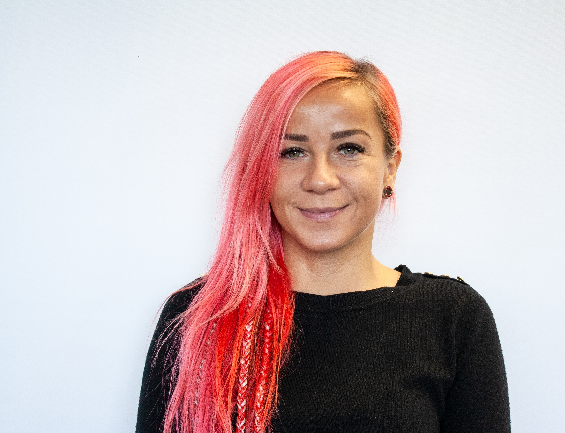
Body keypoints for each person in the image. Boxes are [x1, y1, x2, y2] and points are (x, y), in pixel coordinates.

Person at [136, 51, 510, 433]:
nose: (319, 179)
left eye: (348, 149)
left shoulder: (453, 318)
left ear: (390, 168)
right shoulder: (197, 320)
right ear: (262, 170)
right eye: (292, 151)